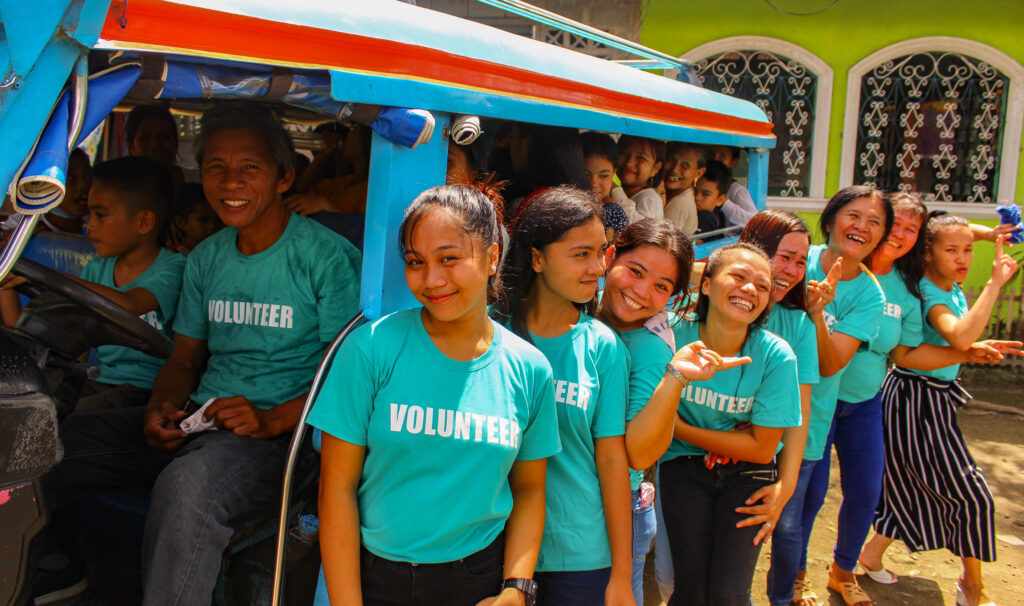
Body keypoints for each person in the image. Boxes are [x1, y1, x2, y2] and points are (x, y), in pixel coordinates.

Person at [45, 102, 363, 606]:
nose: (229, 182)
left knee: (187, 488)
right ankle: (65, 577)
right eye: (216, 167)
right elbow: (184, 359)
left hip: (279, 440)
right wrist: (160, 408)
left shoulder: (326, 258)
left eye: (248, 169)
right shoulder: (207, 258)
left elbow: (350, 375)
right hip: (202, 423)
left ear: (284, 178)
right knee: (49, 444)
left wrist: (273, 420)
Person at [311, 183, 560, 606]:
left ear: (492, 256)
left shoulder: (529, 369)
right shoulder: (371, 349)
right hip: (375, 580)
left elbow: (531, 491)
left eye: (449, 259)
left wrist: (516, 590)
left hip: (478, 579)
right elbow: (337, 488)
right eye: (415, 262)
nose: (432, 280)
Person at [628, 242, 801, 606]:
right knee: (688, 591)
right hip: (682, 468)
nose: (750, 289)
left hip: (748, 474)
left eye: (763, 286)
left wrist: (679, 428)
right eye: (737, 276)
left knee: (729, 595)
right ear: (705, 284)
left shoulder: (776, 355)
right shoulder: (671, 333)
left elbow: (762, 448)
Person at [860, 213, 1019, 606]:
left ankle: (870, 553)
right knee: (974, 495)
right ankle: (973, 587)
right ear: (927, 254)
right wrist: (996, 282)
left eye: (968, 250)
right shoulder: (932, 292)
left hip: (929, 397)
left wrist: (989, 234)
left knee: (907, 486)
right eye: (952, 251)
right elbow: (961, 335)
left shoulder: (951, 284)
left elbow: (965, 342)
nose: (963, 258)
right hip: (916, 400)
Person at [494, 187, 631, 606]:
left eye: (602, 253)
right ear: (537, 258)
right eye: (581, 254)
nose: (598, 268)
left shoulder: (603, 347)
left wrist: (622, 575)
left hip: (580, 555)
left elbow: (611, 460)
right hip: (497, 547)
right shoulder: (490, 335)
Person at [769, 186, 891, 606]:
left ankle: (787, 591)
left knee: (792, 520)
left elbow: (831, 363)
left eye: (875, 222)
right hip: (753, 407)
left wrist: (818, 313)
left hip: (811, 415)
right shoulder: (795, 255)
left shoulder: (870, 295)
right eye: (854, 215)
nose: (862, 227)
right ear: (833, 216)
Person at [595, 218, 694, 606]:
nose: (641, 291)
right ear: (610, 257)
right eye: (635, 271)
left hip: (620, 513)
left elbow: (639, 453)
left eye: (661, 287)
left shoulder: (651, 349)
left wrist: (675, 379)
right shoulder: (580, 317)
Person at [125, 104, 188, 187]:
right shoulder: (117, 188)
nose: (156, 144)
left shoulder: (200, 183)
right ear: (130, 146)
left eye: (164, 136)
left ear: (176, 143)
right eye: (146, 137)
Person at [581, 131, 628, 242]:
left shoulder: (613, 214)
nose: (593, 183)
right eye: (586, 174)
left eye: (603, 176)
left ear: (614, 173)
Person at [613, 135, 665, 223]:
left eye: (641, 158)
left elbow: (642, 232)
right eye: (624, 152)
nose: (629, 163)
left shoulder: (649, 199)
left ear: (655, 168)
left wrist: (616, 192)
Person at [165, 182, 222, 254]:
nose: (212, 226)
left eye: (218, 219)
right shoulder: (174, 258)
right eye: (203, 220)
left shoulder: (220, 253)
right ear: (181, 222)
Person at [707, 145, 757, 226]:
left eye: (722, 157)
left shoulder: (737, 191)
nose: (715, 160)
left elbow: (755, 222)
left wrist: (725, 203)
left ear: (734, 162)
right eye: (711, 155)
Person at [662, 143, 704, 235]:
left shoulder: (679, 203)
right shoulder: (684, 196)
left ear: (699, 173)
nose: (675, 169)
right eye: (672, 160)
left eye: (685, 165)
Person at [693, 160, 730, 235]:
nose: (697, 198)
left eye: (706, 194)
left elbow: (696, 243)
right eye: (695, 191)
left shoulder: (706, 217)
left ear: (720, 200)